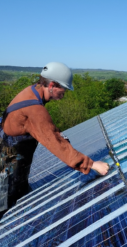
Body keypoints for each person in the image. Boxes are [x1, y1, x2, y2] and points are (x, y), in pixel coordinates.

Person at [0, 62, 109, 218]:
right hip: (7, 166)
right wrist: (91, 164)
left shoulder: (31, 91)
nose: (64, 93)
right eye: (63, 89)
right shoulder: (35, 110)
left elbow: (50, 129)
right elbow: (55, 142)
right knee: (4, 205)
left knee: (17, 195)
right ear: (52, 85)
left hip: (12, 160)